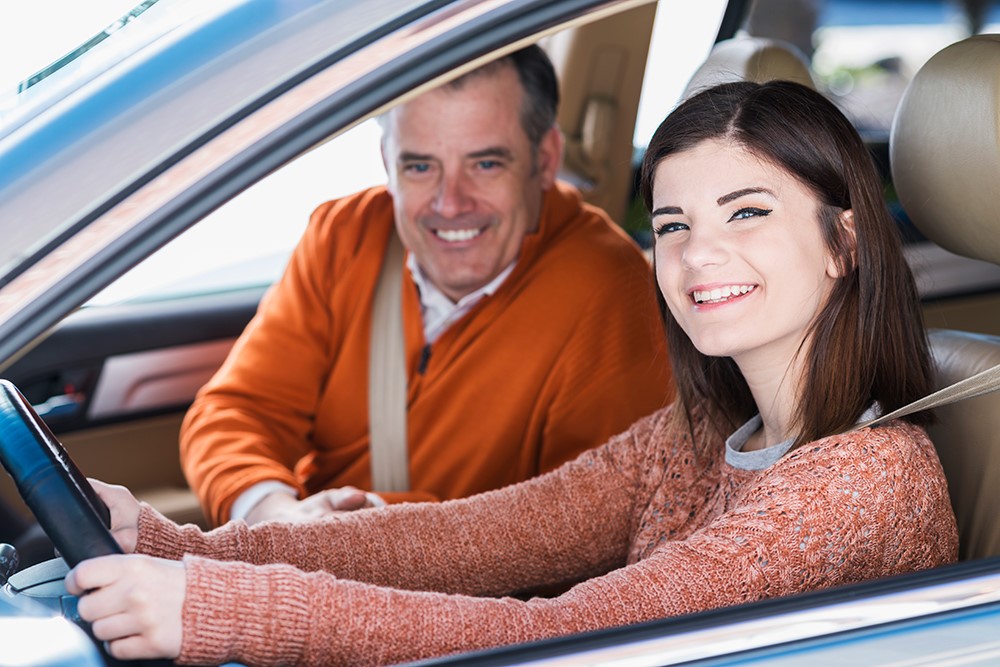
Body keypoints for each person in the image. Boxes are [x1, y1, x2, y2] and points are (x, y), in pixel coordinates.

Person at [66, 80, 958, 666]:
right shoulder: (696, 436)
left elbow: (558, 638)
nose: (697, 255)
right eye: (676, 223)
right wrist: (174, 544)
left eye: (748, 211)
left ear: (843, 241)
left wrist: (227, 605)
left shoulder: (858, 483)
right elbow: (465, 543)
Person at [178, 45, 672, 527]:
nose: (450, 203)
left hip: (468, 603)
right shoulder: (344, 235)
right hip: (300, 561)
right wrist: (276, 515)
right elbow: (235, 413)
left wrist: (380, 523)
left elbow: (590, 523)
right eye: (420, 166)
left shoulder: (609, 290)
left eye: (485, 164)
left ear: (543, 161)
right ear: (387, 162)